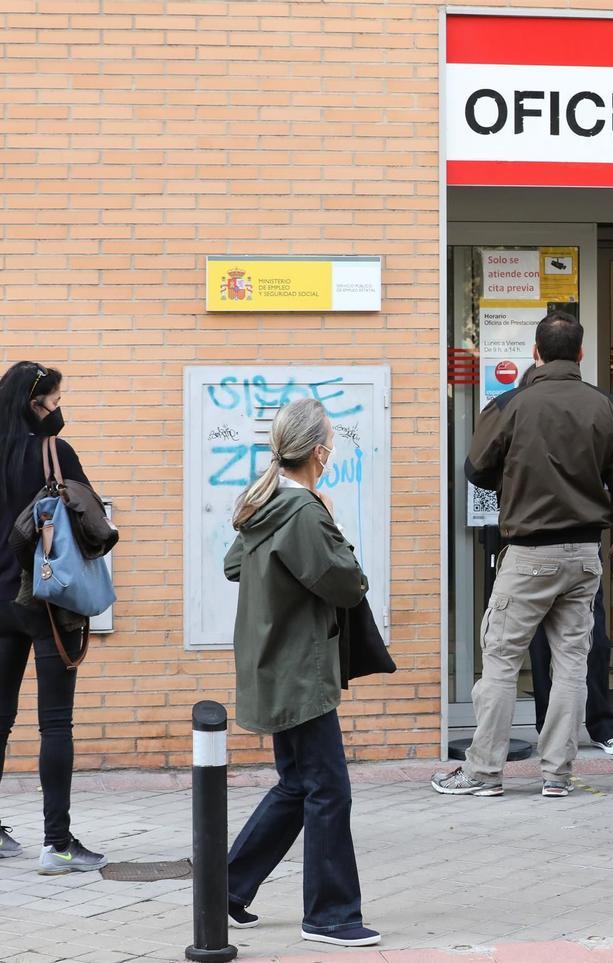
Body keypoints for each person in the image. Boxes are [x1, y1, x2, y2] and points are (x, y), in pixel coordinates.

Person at [432, 310, 613, 797]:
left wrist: (517, 479)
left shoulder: (509, 405)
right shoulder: (606, 408)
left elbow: (476, 469)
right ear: (582, 354)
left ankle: (483, 773)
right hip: (585, 553)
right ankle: (558, 775)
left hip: (528, 552)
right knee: (573, 664)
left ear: (535, 353)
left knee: (503, 659)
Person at [223, 398, 380, 947]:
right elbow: (347, 582)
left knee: (299, 784)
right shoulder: (304, 512)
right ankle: (331, 915)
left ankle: (225, 888)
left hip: (274, 663)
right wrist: (330, 519)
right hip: (299, 670)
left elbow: (234, 564)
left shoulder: (262, 505)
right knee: (329, 790)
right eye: (331, 445)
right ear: (319, 451)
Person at [0, 362, 108, 874]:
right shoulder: (55, 453)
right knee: (55, 724)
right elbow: (94, 517)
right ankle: (58, 845)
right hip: (48, 600)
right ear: (35, 402)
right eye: (55, 399)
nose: (58, 409)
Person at [529, 575, 613, 755]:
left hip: (584, 561)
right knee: (540, 648)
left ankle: (603, 729)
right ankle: (548, 731)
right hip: (539, 561)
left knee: (596, 645)